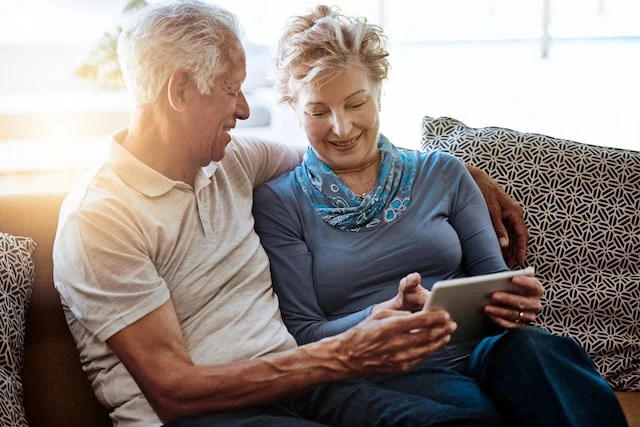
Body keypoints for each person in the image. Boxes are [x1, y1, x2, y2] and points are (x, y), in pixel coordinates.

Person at [54, 1, 529, 426]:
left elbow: (340, 148)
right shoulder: (100, 219)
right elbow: (175, 392)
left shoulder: (231, 160)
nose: (242, 110)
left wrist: (456, 170)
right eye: (230, 89)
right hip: (214, 414)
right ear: (180, 91)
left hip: (303, 389)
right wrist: (343, 355)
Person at [253, 5, 628, 427]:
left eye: (355, 103)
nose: (341, 128)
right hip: (376, 371)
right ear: (294, 108)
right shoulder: (279, 203)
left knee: (541, 352)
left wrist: (515, 304)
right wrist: (379, 314)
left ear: (378, 92)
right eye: (318, 112)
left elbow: (494, 285)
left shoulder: (444, 173)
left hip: (482, 355)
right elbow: (304, 332)